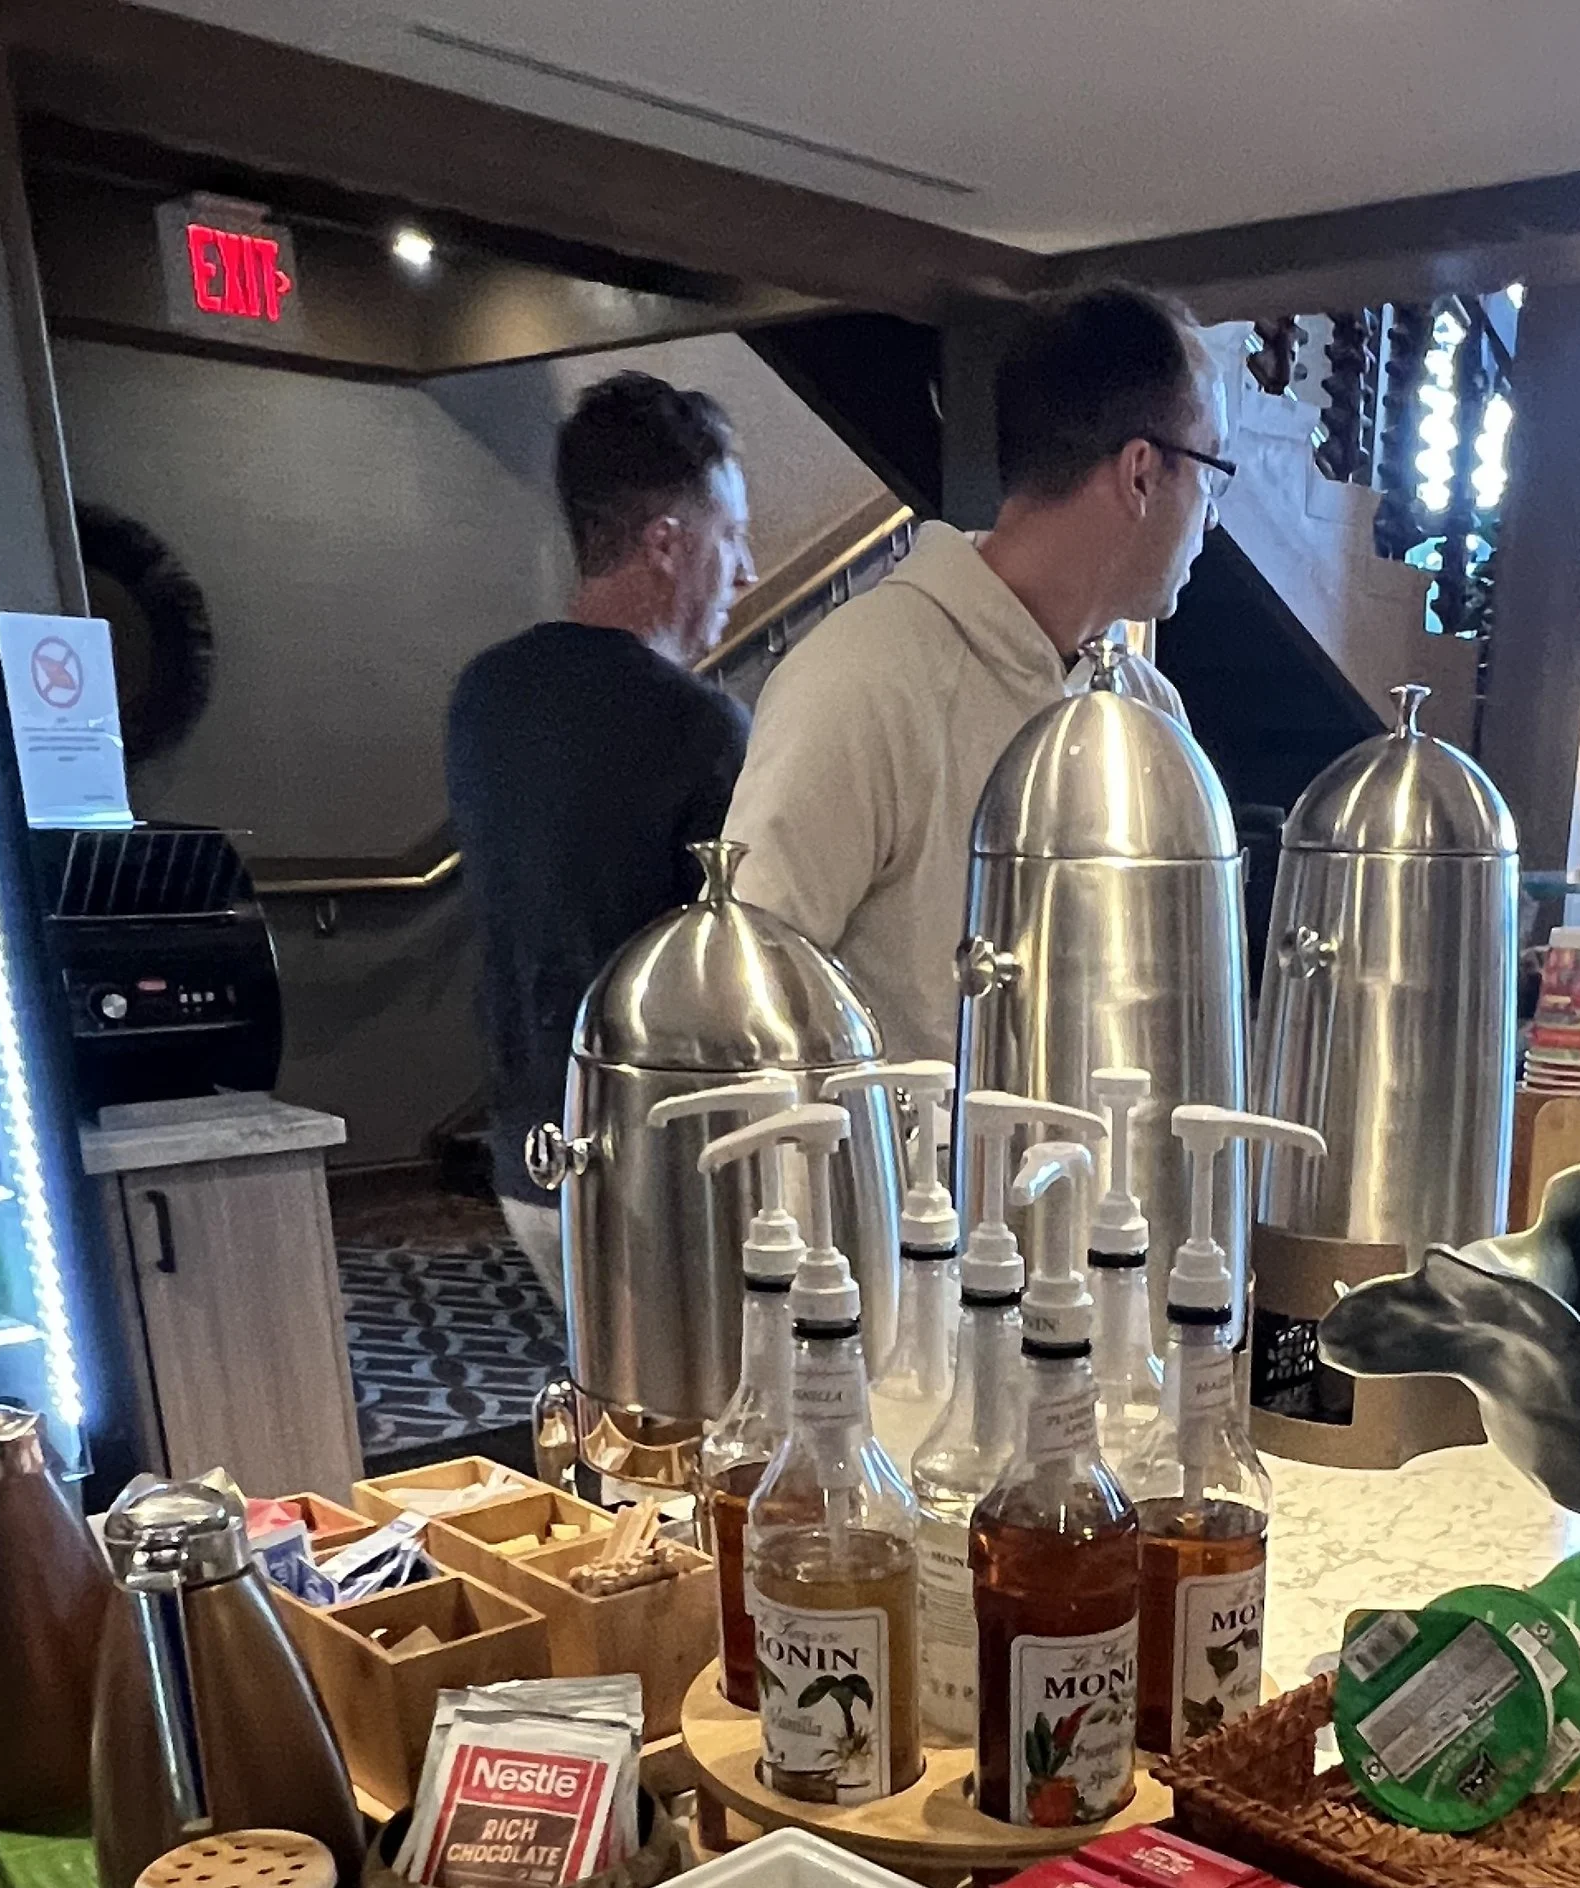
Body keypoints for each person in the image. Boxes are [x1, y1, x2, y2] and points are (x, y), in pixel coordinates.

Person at [719, 286, 1222, 1061]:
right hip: (922, 1181)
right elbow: (744, 1011)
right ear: (1142, 473)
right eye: (1211, 470)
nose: (1212, 516)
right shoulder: (861, 678)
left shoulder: (1151, 710)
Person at [446, 373, 756, 1301]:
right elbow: (732, 969)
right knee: (693, 1432)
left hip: (526, 1156)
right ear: (666, 543)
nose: (746, 571)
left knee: (602, 1417)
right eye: (731, 536)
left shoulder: (484, 695)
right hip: (654, 1168)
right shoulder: (699, 726)